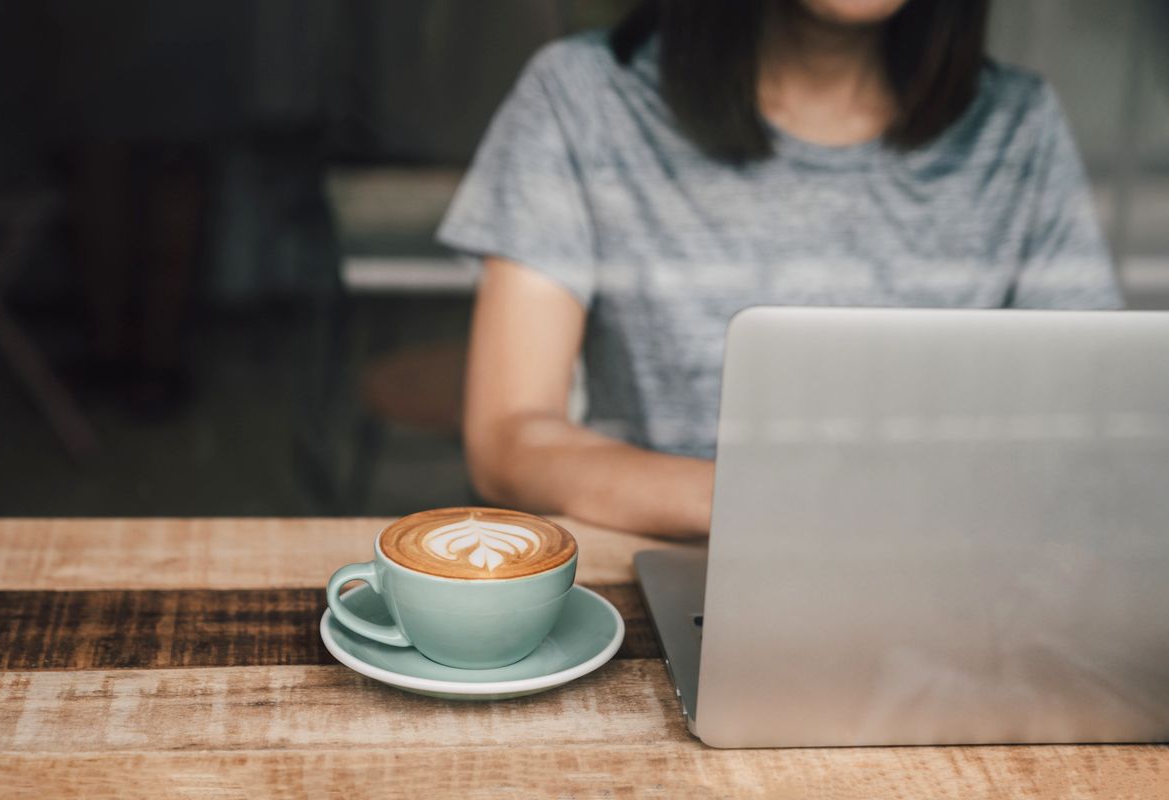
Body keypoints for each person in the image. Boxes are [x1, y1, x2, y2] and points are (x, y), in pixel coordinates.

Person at [438, 0, 1123, 537]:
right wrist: (775, 506)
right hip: (679, 570)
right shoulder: (581, 96)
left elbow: (1099, 437)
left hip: (964, 598)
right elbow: (508, 441)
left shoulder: (1018, 125)